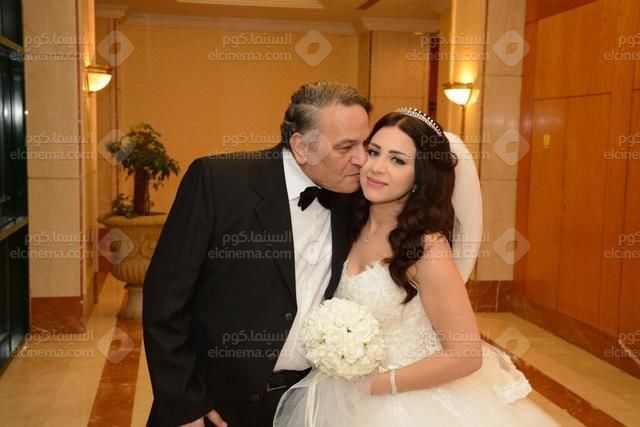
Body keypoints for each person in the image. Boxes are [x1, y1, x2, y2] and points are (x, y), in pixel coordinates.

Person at [273, 108, 560, 426]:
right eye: (373, 152)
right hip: (335, 395)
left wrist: (373, 386)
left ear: (419, 177)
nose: (376, 167)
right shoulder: (345, 224)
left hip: (405, 404)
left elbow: (465, 355)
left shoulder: (427, 249)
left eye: (397, 160)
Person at [142, 81, 371, 427]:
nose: (362, 159)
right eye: (346, 147)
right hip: (213, 404)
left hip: (305, 405)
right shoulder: (219, 182)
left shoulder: (358, 201)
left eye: (365, 144)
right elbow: (165, 301)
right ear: (301, 147)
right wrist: (185, 403)